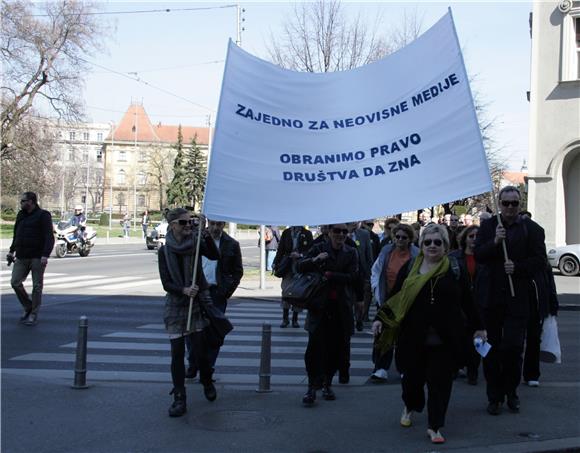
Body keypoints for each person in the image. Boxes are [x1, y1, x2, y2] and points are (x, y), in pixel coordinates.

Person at [372, 224, 485, 444]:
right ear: (421, 245)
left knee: (440, 384)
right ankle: (410, 405)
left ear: (445, 245)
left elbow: (468, 301)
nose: (432, 246)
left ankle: (435, 426)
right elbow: (396, 296)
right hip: (413, 338)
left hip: (445, 339)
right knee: (412, 382)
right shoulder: (411, 268)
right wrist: (380, 319)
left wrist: (479, 326)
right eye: (428, 242)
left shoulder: (454, 268)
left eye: (437, 242)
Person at [474, 186, 547, 416]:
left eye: (514, 203)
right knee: (492, 350)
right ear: (499, 203)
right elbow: (478, 255)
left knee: (514, 348)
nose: (509, 208)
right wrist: (495, 241)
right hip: (492, 297)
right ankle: (494, 396)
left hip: (518, 298)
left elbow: (540, 261)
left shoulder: (532, 229)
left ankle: (511, 391)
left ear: (519, 204)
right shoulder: (488, 226)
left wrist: (518, 267)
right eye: (505, 203)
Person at [157, 208, 220, 417]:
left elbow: (214, 254)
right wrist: (183, 289)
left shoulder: (195, 243)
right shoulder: (164, 251)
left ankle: (207, 381)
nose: (187, 226)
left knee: (199, 351)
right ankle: (179, 397)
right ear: (172, 225)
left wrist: (205, 234)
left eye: (189, 222)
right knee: (177, 354)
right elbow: (166, 282)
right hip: (176, 303)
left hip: (197, 303)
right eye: (183, 223)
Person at [296, 223, 358, 406]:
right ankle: (311, 387)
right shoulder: (318, 248)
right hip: (318, 306)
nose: (341, 234)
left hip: (340, 307)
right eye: (337, 231)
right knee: (314, 348)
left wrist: (331, 275)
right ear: (329, 232)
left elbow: (353, 277)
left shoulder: (351, 252)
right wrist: (315, 260)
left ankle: (327, 383)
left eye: (344, 232)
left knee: (335, 349)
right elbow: (299, 266)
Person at [369, 223, 419, 381]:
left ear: (410, 239)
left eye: (404, 237)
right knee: (383, 333)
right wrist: (376, 288)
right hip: (386, 298)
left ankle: (404, 368)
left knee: (404, 335)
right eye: (397, 236)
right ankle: (381, 367)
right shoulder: (386, 251)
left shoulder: (417, 254)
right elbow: (376, 270)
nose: (400, 240)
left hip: (406, 299)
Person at [518, 210, 559, 387]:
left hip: (537, 304)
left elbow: (549, 284)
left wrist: (552, 304)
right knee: (516, 340)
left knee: (534, 339)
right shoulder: (515, 259)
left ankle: (532, 374)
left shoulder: (542, 262)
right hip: (518, 303)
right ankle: (514, 372)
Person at [197, 219, 243, 371]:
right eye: (213, 224)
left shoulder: (231, 244)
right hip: (198, 291)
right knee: (194, 329)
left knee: (216, 331)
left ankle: (209, 366)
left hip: (217, 292)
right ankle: (193, 361)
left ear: (224, 225)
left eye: (219, 224)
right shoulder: (198, 241)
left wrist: (226, 291)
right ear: (208, 223)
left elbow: (238, 271)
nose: (215, 228)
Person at [8, 192, 55, 327]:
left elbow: (49, 237)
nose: (21, 203)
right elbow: (16, 234)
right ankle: (28, 306)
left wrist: (45, 255)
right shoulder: (21, 215)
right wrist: (12, 251)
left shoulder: (43, 215)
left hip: (37, 256)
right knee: (15, 282)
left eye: (24, 201)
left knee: (37, 286)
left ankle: (33, 313)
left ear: (31, 202)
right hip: (22, 255)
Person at [449, 225, 482, 385]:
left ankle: (473, 369)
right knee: (460, 337)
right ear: (465, 239)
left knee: (477, 339)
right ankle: (457, 365)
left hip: (480, 302)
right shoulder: (454, 256)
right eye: (471, 236)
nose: (474, 239)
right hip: (460, 303)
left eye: (477, 236)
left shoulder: (485, 256)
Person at [272, 226, 313, 328]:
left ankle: (295, 319)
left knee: (298, 292)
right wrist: (275, 263)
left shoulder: (307, 233)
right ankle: (285, 318)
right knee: (285, 291)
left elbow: (310, 250)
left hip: (301, 266)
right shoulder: (286, 232)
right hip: (287, 266)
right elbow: (280, 249)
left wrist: (300, 255)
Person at [346, 221, 373, 332]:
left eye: (355, 221)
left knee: (359, 299)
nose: (354, 223)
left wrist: (369, 272)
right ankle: (348, 320)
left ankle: (359, 319)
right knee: (347, 298)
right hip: (346, 272)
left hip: (361, 272)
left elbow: (368, 254)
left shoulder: (364, 234)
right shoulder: (341, 232)